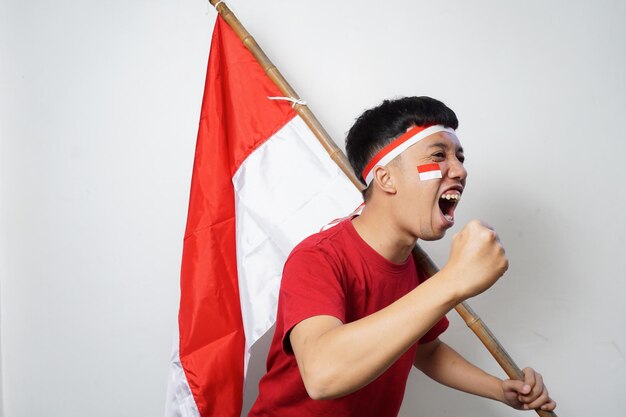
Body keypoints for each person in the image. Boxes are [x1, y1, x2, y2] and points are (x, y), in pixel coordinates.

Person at [248, 96, 556, 416]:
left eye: (460, 158)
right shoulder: (317, 258)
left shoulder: (415, 266)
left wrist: (499, 389)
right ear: (386, 178)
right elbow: (322, 375)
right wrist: (454, 280)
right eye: (439, 155)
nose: (460, 170)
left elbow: (425, 349)